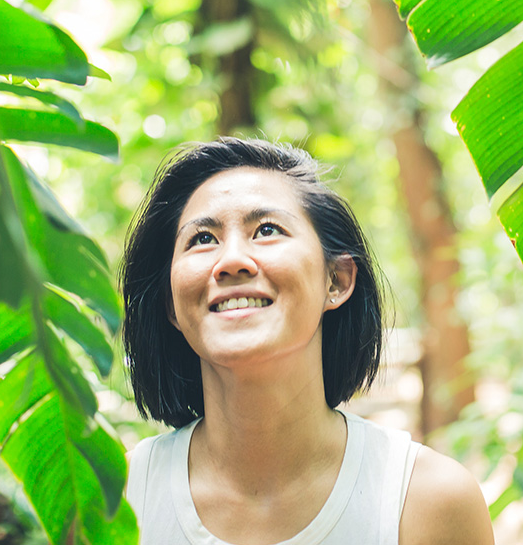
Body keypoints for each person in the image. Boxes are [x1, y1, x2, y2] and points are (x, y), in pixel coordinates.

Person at [121, 137, 494, 545]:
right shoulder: (115, 501)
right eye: (202, 239)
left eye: (266, 230)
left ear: (336, 280)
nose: (230, 262)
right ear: (171, 307)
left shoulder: (428, 502)